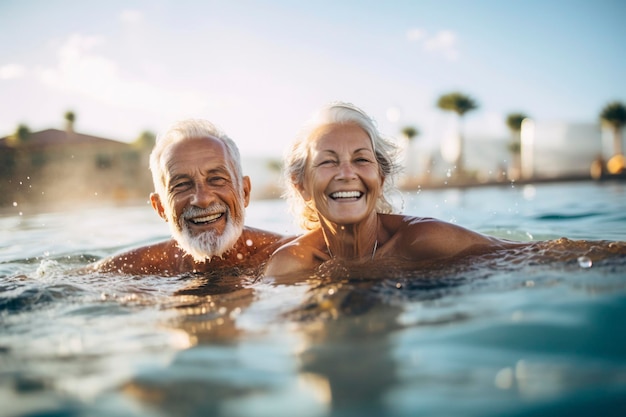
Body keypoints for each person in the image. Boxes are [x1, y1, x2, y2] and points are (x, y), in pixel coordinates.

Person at [263, 102, 527, 278]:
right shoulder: (290, 265)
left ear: (381, 177)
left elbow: (537, 255)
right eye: (328, 161)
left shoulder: (423, 240)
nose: (346, 174)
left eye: (361, 160)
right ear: (302, 186)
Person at [90, 119, 292, 275]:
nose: (202, 199)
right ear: (160, 208)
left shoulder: (294, 255)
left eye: (216, 179)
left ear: (244, 192)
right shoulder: (129, 270)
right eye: (182, 185)